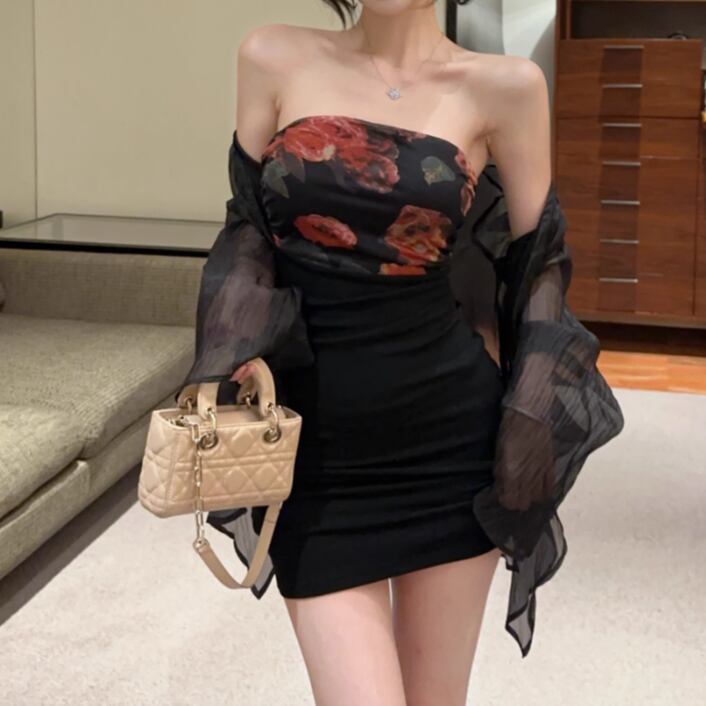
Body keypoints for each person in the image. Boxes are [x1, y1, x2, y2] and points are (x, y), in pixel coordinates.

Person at [211, 1, 555, 704]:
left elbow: (538, 274)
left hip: (450, 447)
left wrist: (528, 428)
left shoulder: (508, 86)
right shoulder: (272, 56)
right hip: (314, 452)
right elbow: (247, 229)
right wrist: (232, 344)